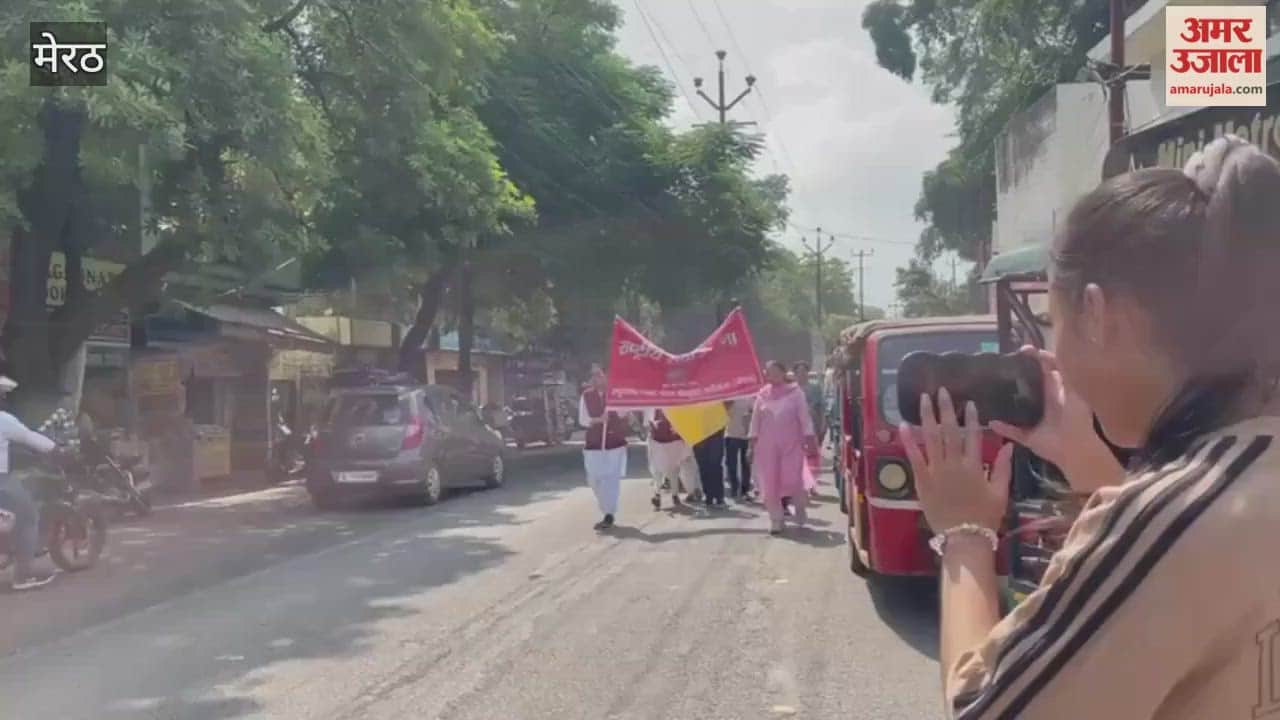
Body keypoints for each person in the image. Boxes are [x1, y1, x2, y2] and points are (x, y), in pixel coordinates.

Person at [900, 136, 1280, 719]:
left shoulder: (1169, 515)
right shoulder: (1239, 481)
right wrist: (1091, 465)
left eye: (1054, 321)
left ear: (1100, 315)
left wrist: (965, 532)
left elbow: (983, 707)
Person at [0, 376, 59, 590]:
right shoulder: (3, 419)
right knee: (28, 516)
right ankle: (23, 576)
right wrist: (55, 448)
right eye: (3, 395)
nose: (4, 398)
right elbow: (30, 438)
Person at [749, 361, 817, 535]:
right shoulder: (762, 395)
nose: (772, 376)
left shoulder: (795, 393)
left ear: (783, 373)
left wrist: (809, 438)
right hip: (767, 447)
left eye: (775, 372)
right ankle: (776, 520)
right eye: (769, 373)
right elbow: (755, 422)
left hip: (791, 444)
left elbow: (804, 417)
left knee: (793, 479)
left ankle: (800, 507)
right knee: (770, 482)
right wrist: (751, 445)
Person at [579, 365, 628, 531]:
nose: (596, 378)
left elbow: (623, 413)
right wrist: (598, 420)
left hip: (614, 443)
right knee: (594, 479)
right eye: (594, 375)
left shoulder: (616, 393)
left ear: (606, 376)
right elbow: (583, 419)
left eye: (599, 375)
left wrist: (616, 405)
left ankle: (609, 514)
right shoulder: (586, 395)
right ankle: (605, 507)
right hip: (594, 444)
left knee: (611, 480)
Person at [645, 408, 697, 510]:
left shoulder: (656, 403)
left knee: (665, 470)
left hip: (667, 440)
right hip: (663, 440)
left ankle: (665, 494)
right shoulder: (659, 404)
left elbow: (649, 422)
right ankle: (665, 494)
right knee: (667, 469)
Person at [724, 397, 754, 499]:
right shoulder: (729, 396)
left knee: (746, 463)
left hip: (746, 436)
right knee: (731, 463)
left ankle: (744, 490)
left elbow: (754, 412)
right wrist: (727, 404)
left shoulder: (748, 396)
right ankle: (734, 488)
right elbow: (722, 412)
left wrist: (751, 412)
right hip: (731, 434)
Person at [692, 424, 727, 508]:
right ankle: (710, 496)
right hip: (701, 436)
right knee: (706, 467)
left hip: (712, 434)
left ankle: (717, 497)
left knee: (712, 467)